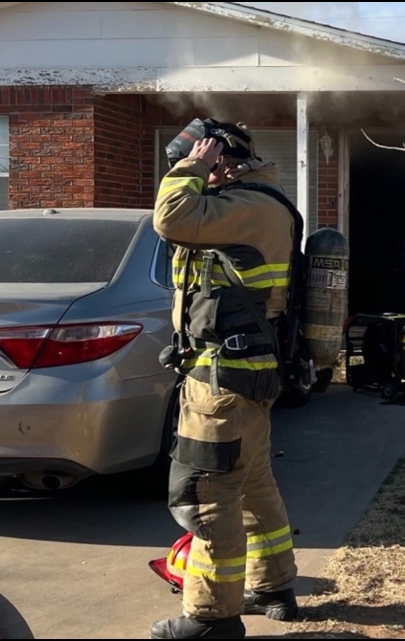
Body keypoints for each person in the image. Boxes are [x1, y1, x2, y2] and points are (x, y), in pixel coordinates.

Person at [151, 120, 300, 639]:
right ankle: (273, 587)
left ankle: (212, 618)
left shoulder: (248, 206)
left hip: (222, 383)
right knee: (253, 483)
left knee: (208, 494)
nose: (198, 173)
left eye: (206, 162)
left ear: (224, 160)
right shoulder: (253, 204)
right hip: (245, 375)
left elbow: (170, 217)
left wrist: (193, 164)